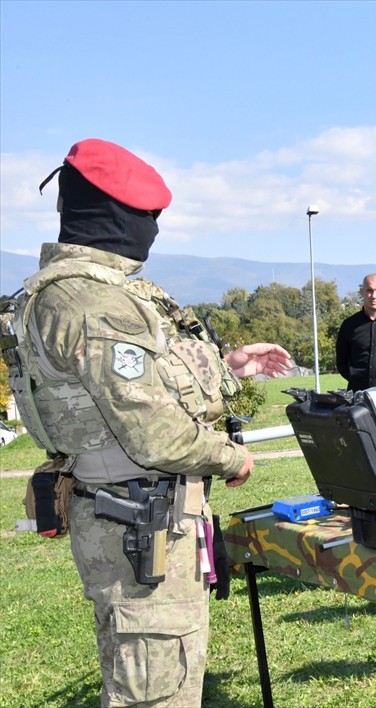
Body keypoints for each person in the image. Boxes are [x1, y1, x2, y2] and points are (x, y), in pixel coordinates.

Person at [16, 138, 292, 706]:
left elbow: (139, 389)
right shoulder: (96, 304)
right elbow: (154, 433)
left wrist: (231, 367)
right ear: (115, 216)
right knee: (156, 689)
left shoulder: (69, 293)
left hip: (122, 517)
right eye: (148, 217)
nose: (154, 231)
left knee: (136, 673)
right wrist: (230, 456)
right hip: (140, 522)